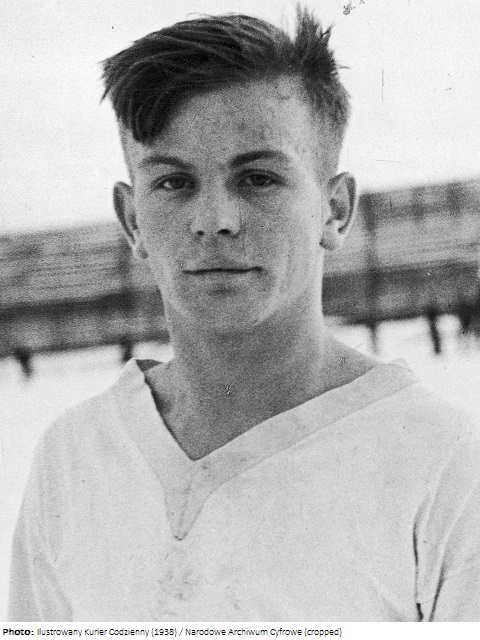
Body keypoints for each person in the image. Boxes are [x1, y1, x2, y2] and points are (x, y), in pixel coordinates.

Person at [9, 7, 480, 622]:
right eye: (173, 183)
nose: (215, 220)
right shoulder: (74, 456)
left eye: (258, 179)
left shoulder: (442, 460)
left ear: (335, 210)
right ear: (132, 220)